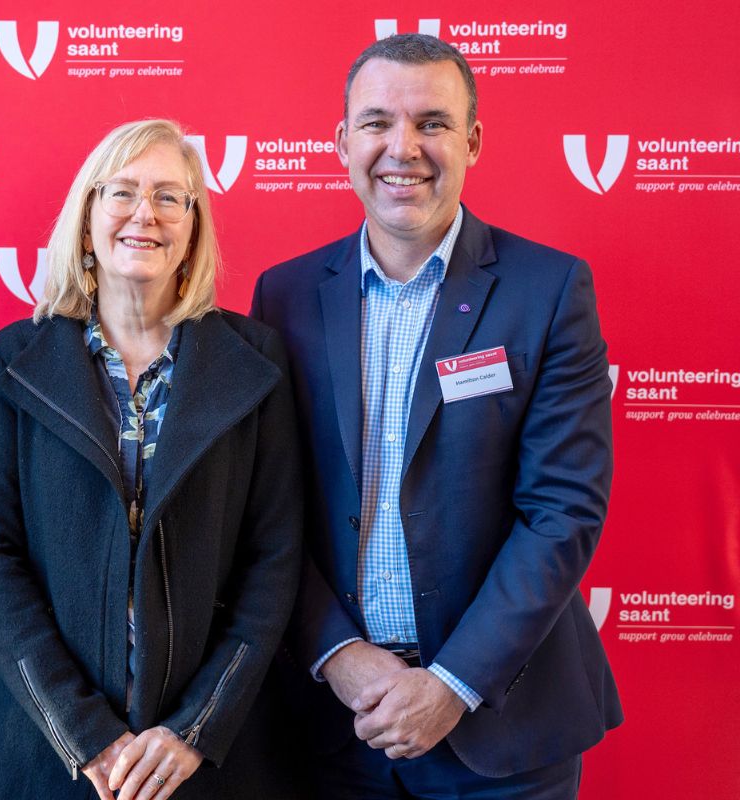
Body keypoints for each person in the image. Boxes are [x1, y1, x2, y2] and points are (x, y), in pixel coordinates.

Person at [251, 34, 622, 799]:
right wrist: (337, 654)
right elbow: (268, 508)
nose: (403, 148)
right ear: (342, 141)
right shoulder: (283, 297)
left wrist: (451, 684)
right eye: (378, 122)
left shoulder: (548, 292)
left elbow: (562, 511)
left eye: (432, 123)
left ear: (473, 140)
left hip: (502, 729)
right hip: (333, 726)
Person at [0, 119, 303, 800]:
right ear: (87, 221)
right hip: (42, 753)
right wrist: (86, 734)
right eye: (122, 192)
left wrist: (195, 729)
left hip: (206, 757)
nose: (145, 213)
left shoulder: (257, 363)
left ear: (193, 228)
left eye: (170, 197)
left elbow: (275, 558)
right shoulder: (9, 363)